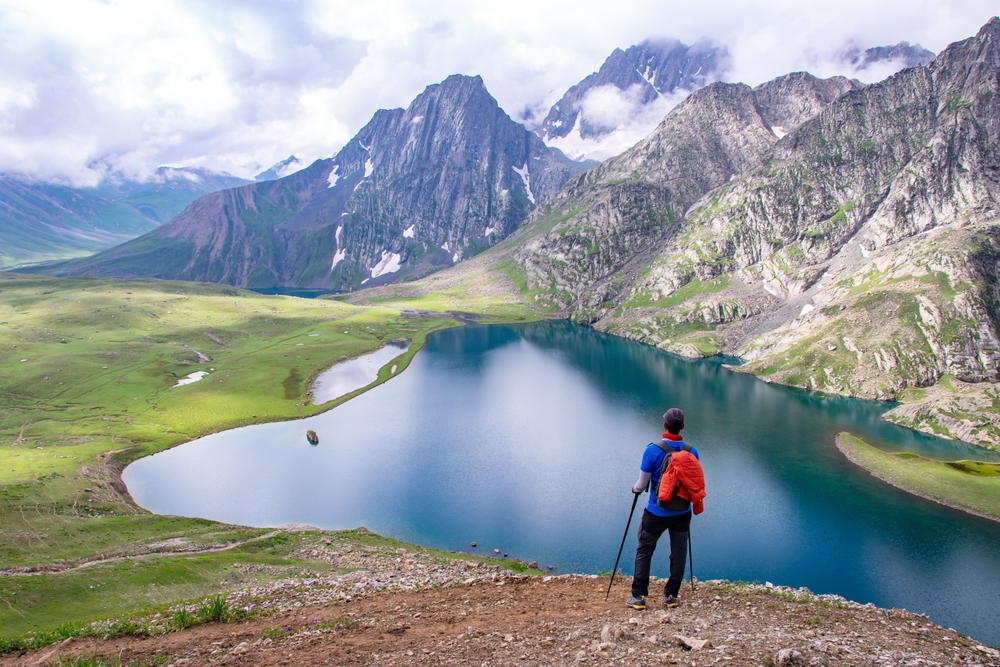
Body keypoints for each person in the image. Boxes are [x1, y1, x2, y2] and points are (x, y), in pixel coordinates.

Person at [626, 407, 699, 610]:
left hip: (656, 512)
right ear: (682, 427)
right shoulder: (692, 451)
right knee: (678, 552)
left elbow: (641, 485)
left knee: (644, 550)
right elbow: (693, 482)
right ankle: (671, 595)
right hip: (682, 512)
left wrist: (635, 489)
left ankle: (639, 596)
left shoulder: (652, 450)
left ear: (665, 426)